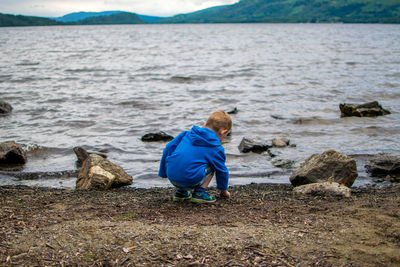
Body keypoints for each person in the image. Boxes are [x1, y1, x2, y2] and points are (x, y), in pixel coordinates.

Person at [158, 111, 232, 203]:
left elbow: (168, 148)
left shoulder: (186, 134)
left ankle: (181, 192)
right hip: (191, 180)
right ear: (223, 131)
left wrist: (163, 172)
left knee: (187, 160)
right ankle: (199, 193)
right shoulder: (216, 147)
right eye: (225, 135)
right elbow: (222, 170)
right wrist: (223, 191)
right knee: (214, 164)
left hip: (172, 177)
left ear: (205, 125)